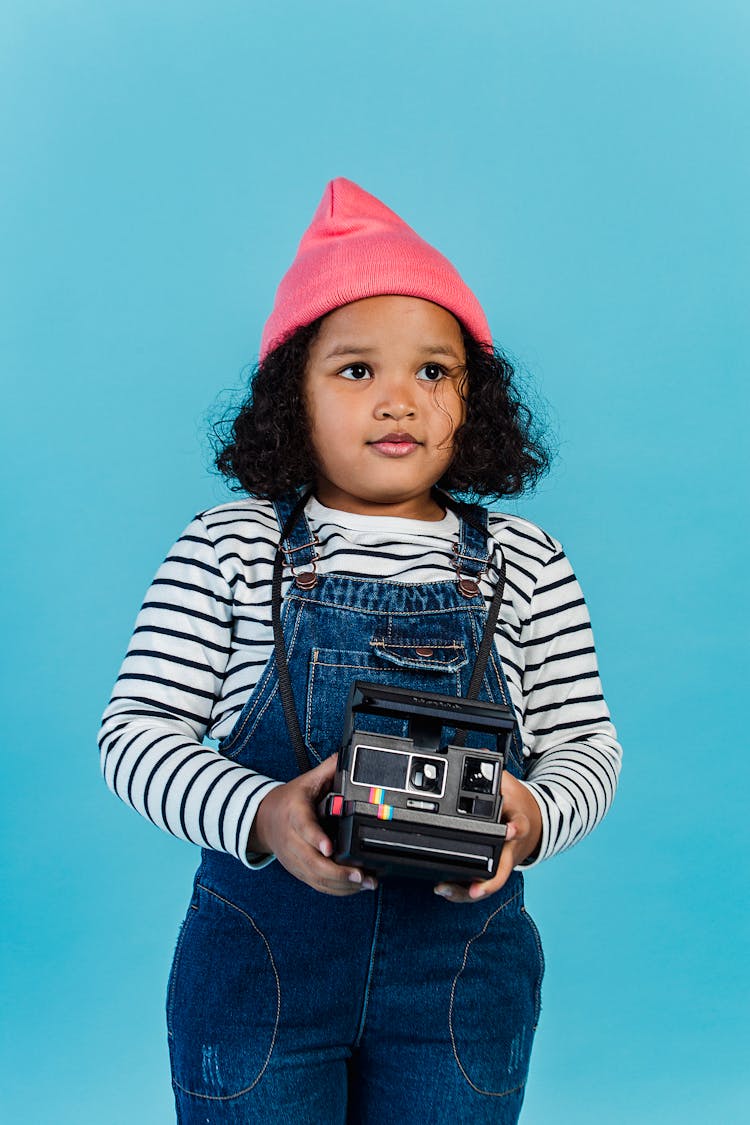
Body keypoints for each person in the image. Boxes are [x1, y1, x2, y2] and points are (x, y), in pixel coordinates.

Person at [99, 178, 621, 1124]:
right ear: (290, 398)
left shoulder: (527, 561)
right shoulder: (229, 547)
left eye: (434, 371)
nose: (398, 400)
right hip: (260, 974)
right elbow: (135, 735)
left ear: (475, 400)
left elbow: (589, 744)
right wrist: (261, 813)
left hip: (460, 984)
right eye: (354, 371)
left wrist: (532, 815)